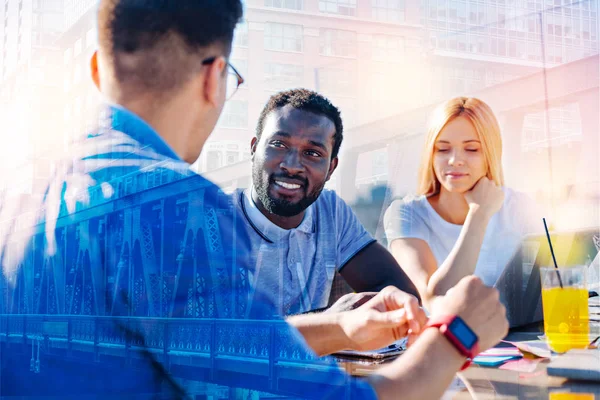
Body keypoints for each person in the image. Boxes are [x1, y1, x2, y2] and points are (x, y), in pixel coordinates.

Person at [0, 2, 509, 399]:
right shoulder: (174, 209)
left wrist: (341, 326)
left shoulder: (18, 193)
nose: (292, 164)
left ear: (95, 69)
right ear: (212, 77)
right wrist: (456, 337)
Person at [236, 88, 418, 316]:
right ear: (254, 149)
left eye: (312, 153)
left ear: (331, 167)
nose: (292, 165)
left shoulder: (330, 211)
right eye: (279, 145)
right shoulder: (212, 220)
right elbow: (216, 338)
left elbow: (400, 294)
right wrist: (329, 323)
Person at [384, 97, 541, 309]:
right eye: (443, 149)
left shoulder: (519, 206)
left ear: (490, 154)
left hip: (514, 337)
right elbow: (434, 299)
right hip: (445, 338)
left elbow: (560, 276)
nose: (455, 160)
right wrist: (479, 214)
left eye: (471, 149)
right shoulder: (405, 214)